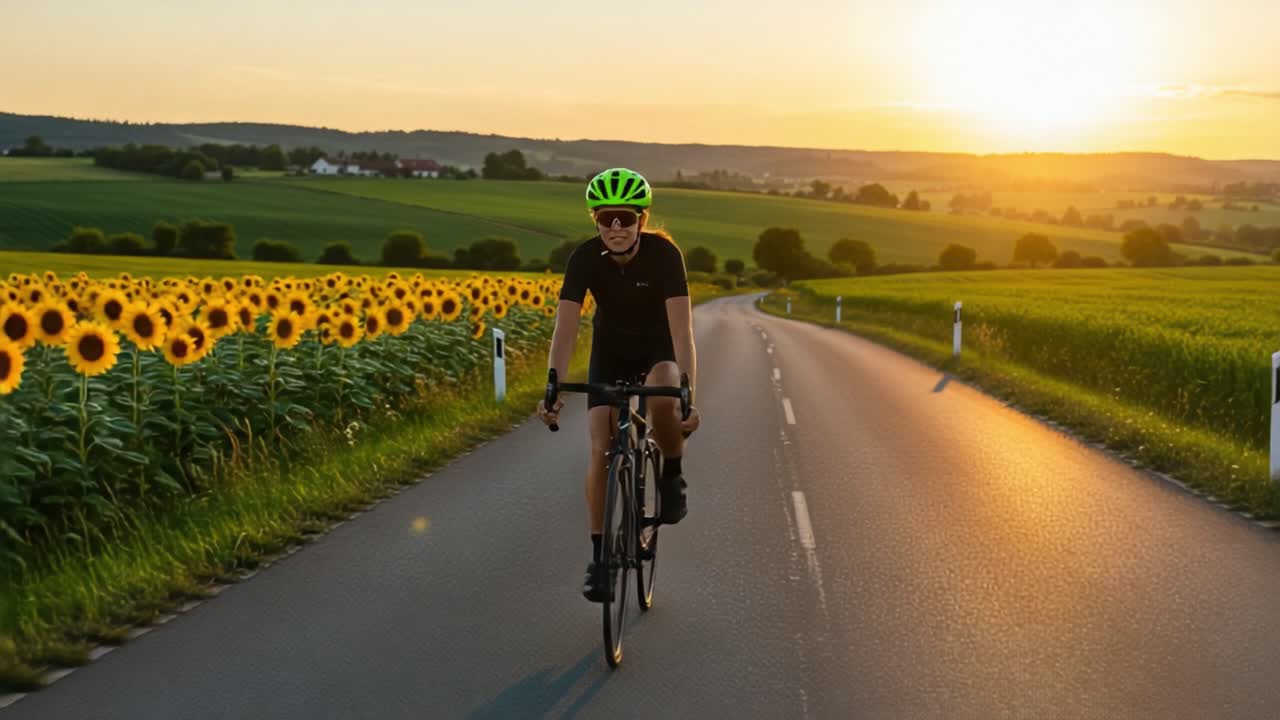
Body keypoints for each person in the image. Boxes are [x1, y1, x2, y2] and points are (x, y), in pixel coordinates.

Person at [537, 167, 701, 603]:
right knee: (599, 442)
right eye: (606, 218)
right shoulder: (585, 258)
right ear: (596, 219)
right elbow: (566, 328)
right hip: (609, 349)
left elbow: (682, 332)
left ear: (641, 220)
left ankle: (672, 474)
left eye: (625, 218)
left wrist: (688, 395)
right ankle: (600, 560)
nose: (615, 227)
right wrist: (552, 387)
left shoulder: (665, 257)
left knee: (663, 394)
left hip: (658, 347)